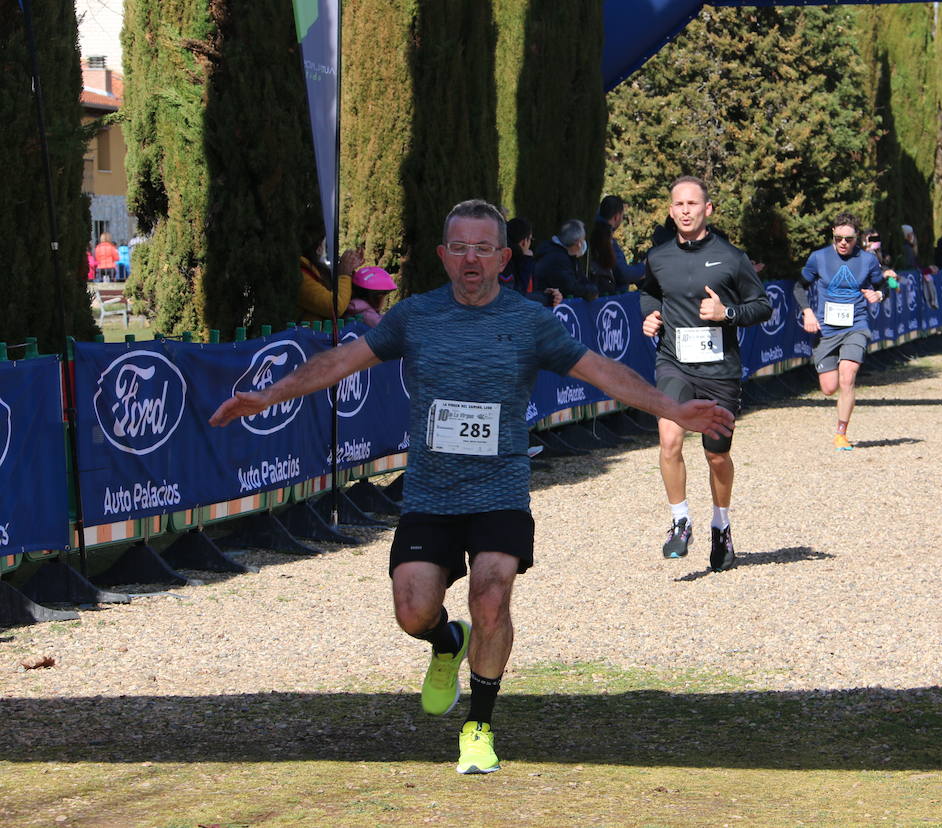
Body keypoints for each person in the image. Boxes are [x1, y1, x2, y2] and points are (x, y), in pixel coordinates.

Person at [209, 199, 733, 775]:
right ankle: (444, 643)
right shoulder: (415, 317)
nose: (471, 259)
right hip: (431, 493)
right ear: (442, 255)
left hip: (500, 490)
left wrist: (673, 409)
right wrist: (267, 395)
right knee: (412, 610)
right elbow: (339, 361)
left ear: (504, 257)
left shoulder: (529, 322)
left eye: (483, 248)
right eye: (459, 248)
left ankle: (479, 725)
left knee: (490, 595)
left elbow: (603, 371)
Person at [639, 176, 771, 572]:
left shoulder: (732, 258)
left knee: (717, 456)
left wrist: (727, 313)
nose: (684, 210)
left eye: (692, 204)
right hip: (674, 362)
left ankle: (721, 525)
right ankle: (680, 520)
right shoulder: (658, 257)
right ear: (670, 209)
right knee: (669, 437)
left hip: (719, 370)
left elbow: (762, 306)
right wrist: (651, 314)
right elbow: (649, 291)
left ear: (707, 209)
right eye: (678, 204)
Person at [795, 214, 894, 449]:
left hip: (856, 325)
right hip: (827, 328)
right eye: (838, 238)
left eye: (848, 239)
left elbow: (884, 285)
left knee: (847, 376)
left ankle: (841, 433)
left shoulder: (868, 260)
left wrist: (879, 295)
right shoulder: (818, 258)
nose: (843, 243)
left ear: (856, 238)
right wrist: (807, 311)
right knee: (829, 388)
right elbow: (799, 286)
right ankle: (837, 401)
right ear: (832, 234)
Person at [300, 236, 363, 322]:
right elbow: (336, 307)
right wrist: (345, 274)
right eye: (323, 245)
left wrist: (349, 269)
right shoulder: (301, 276)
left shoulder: (312, 271)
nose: (322, 250)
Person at [592, 195, 646, 294]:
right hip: (608, 298)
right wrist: (645, 267)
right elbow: (623, 273)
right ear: (616, 217)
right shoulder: (605, 238)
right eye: (622, 216)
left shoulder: (592, 231)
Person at [534, 219, 598, 301]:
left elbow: (582, 281)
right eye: (583, 240)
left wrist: (592, 289)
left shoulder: (569, 256)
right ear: (578, 243)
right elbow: (570, 287)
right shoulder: (557, 258)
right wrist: (590, 291)